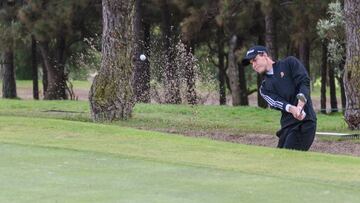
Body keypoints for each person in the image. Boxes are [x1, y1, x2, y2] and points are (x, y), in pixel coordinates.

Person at [242, 45, 317, 151]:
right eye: (251, 63)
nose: (253, 65)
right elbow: (277, 102)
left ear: (264, 55)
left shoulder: (290, 63)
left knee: (288, 159)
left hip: (305, 123)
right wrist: (293, 109)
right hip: (287, 127)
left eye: (255, 60)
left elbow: (304, 83)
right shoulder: (264, 88)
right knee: (279, 160)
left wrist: (300, 107)